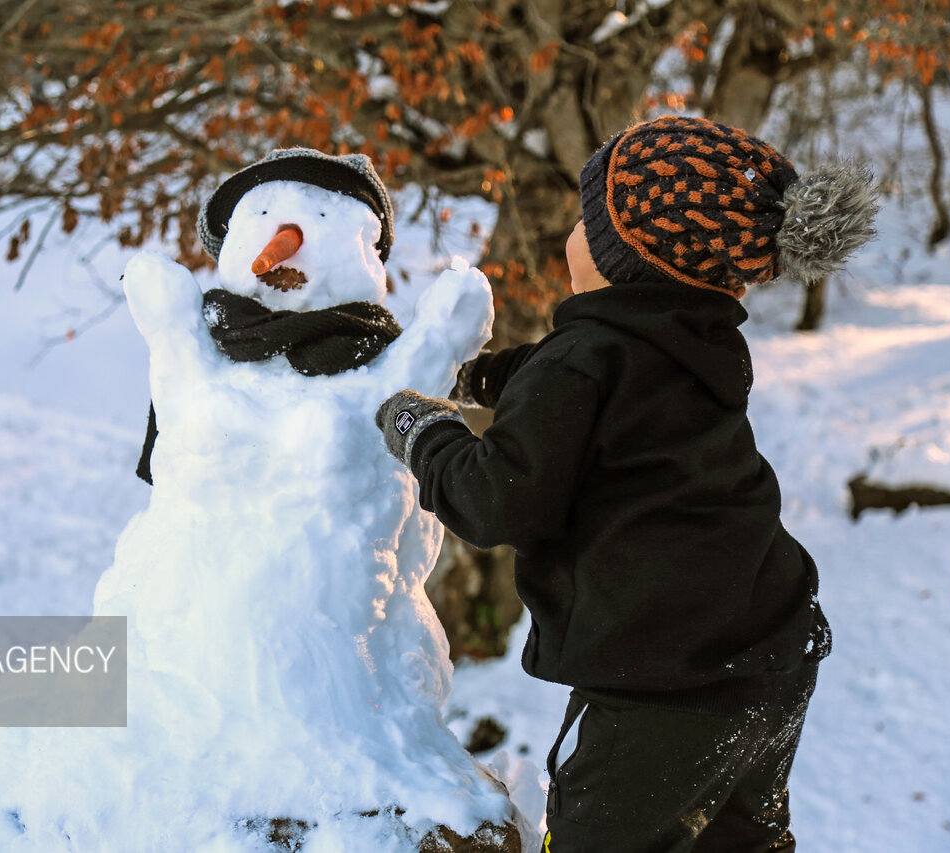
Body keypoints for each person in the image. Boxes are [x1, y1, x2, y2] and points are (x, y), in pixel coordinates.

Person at [374, 115, 878, 852]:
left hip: (665, 694)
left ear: (626, 254)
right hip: (771, 656)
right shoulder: (697, 342)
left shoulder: (584, 363)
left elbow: (494, 496)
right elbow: (586, 387)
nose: (572, 234)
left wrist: (424, 430)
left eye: (587, 219)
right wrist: (486, 376)